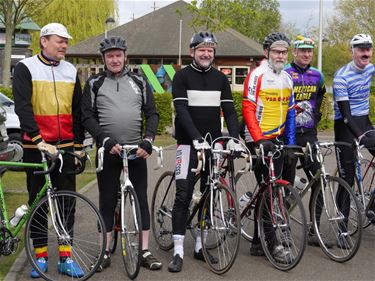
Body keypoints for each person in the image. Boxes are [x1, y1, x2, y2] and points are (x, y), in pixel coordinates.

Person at [81, 36, 162, 271]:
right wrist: (103, 139)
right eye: (110, 56)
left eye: (118, 55)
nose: (115, 60)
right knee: (106, 201)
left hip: (135, 150)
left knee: (141, 201)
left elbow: (153, 113)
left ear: (125, 56)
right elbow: (87, 115)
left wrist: (148, 140)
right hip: (108, 150)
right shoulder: (95, 83)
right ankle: (104, 252)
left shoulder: (139, 80)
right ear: (104, 59)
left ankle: (145, 251)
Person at [12, 23, 85, 278]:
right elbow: (22, 106)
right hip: (36, 146)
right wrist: (37, 138)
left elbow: (78, 111)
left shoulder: (70, 70)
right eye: (60, 40)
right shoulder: (26, 67)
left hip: (65, 147)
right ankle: (40, 256)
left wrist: (79, 145)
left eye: (66, 41)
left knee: (67, 203)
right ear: (44, 41)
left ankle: (65, 257)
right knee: (38, 202)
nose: (65, 45)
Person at [168, 31, 242, 273]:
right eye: (202, 49)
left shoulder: (220, 79)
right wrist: (196, 139)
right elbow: (182, 110)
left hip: (213, 144)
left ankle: (200, 245)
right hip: (188, 144)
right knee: (183, 195)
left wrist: (232, 138)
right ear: (192, 52)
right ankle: (178, 250)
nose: (206, 53)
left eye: (210, 49)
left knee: (209, 194)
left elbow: (230, 112)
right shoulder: (181, 76)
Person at [242, 32, 296, 262]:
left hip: (277, 139)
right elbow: (248, 108)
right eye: (276, 51)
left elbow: (291, 112)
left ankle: (257, 242)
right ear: (266, 52)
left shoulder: (287, 77)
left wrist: (291, 143)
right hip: (257, 138)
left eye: (284, 52)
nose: (281, 55)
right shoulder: (257, 75)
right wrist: (259, 139)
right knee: (270, 189)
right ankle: (273, 245)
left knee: (272, 191)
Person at [283, 35, 330, 247]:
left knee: (319, 179)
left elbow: (320, 97)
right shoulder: (285, 73)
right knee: (286, 183)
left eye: (310, 51)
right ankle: (281, 228)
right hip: (289, 135)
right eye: (302, 51)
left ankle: (315, 230)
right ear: (295, 52)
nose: (306, 54)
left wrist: (316, 118)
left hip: (309, 135)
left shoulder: (317, 75)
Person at [333, 33, 375, 248]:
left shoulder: (370, 68)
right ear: (352, 51)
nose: (365, 52)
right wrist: (361, 137)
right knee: (347, 178)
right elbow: (346, 114)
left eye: (368, 48)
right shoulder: (342, 76)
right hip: (346, 125)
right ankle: (341, 229)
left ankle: (373, 207)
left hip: (365, 121)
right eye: (360, 48)